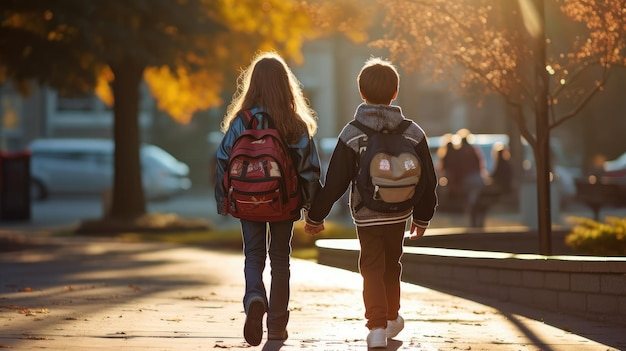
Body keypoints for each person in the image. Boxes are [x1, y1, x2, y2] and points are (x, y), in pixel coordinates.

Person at [303, 57, 438, 349]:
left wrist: (315, 217)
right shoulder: (412, 132)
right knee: (393, 266)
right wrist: (422, 217)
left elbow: (336, 181)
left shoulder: (352, 133)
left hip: (367, 214)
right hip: (400, 211)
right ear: (395, 92)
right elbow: (428, 179)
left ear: (361, 93)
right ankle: (391, 317)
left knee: (371, 268)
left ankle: (376, 326)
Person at [214, 51, 322, 346]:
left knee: (253, 255)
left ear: (253, 85)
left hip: (248, 201)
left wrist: (225, 200)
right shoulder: (293, 123)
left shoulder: (241, 121)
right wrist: (314, 209)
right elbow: (308, 169)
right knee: (280, 261)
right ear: (286, 85)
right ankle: (276, 328)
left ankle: (254, 298)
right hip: (283, 203)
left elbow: (223, 158)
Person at [470, 142, 513, 227]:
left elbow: (494, 176)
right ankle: (478, 222)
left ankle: (476, 223)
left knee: (479, 200)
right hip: (502, 188)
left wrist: (486, 178)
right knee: (481, 200)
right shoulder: (506, 163)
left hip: (500, 189)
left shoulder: (501, 163)